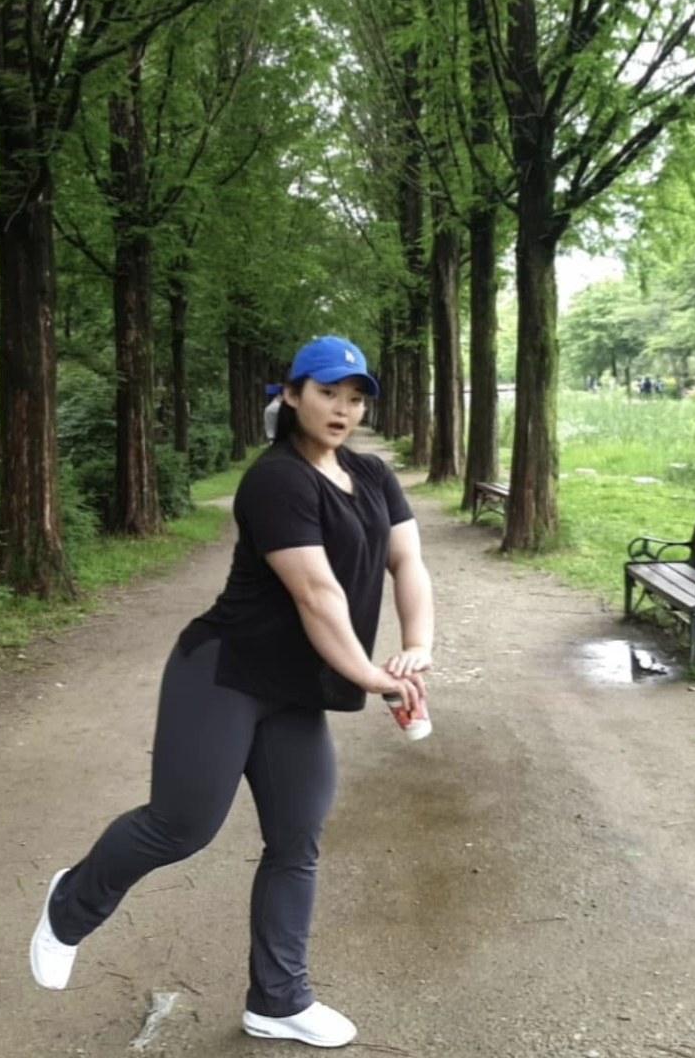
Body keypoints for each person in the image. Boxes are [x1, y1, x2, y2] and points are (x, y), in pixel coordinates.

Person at [29, 335, 434, 1050]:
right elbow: (317, 594)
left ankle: (278, 1000)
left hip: (294, 687)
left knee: (297, 838)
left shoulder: (371, 475)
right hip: (225, 670)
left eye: (355, 397)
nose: (343, 408)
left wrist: (417, 648)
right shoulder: (276, 480)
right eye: (327, 393)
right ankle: (72, 903)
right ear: (292, 395)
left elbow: (408, 563)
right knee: (182, 826)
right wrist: (373, 676)